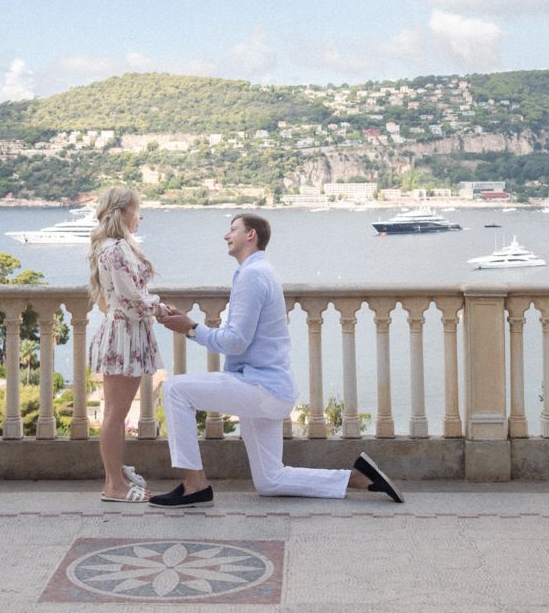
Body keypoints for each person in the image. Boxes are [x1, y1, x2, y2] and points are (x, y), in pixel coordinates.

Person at [148, 213, 404, 507]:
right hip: (270, 390)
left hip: (259, 387)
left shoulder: (253, 275)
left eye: (233, 229)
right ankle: (358, 478)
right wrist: (188, 324)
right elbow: (240, 337)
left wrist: (191, 329)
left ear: (251, 235)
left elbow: (235, 341)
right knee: (271, 480)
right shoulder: (258, 272)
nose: (226, 235)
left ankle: (194, 484)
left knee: (175, 389)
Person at [85, 186, 161, 502]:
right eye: (137, 209)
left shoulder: (117, 247)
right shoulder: (115, 250)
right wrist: (160, 306)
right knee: (115, 414)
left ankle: (116, 476)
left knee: (117, 413)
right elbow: (132, 300)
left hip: (127, 333)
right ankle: (113, 485)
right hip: (124, 335)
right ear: (123, 212)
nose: (139, 215)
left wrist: (151, 305)